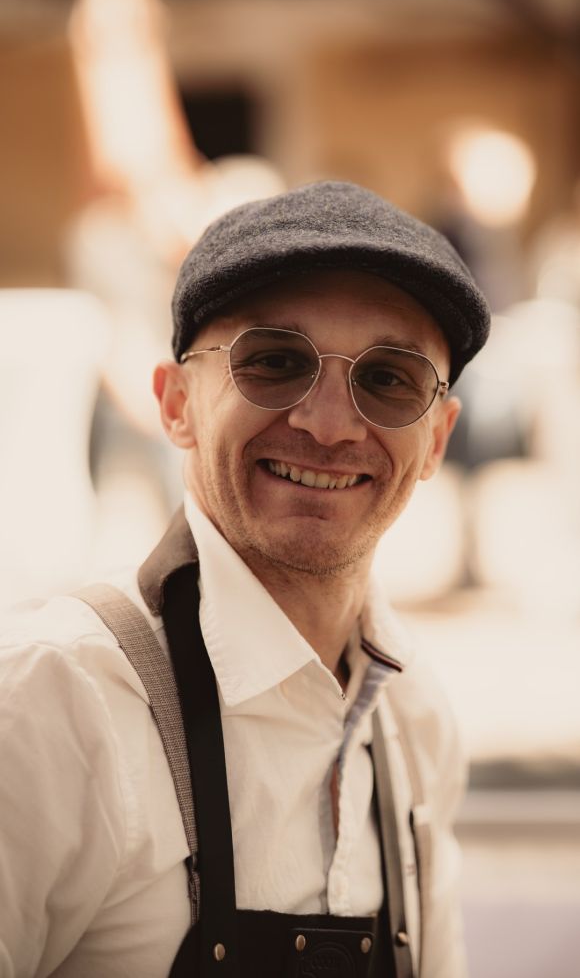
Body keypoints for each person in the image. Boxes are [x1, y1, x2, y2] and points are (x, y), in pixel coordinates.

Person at [0, 180, 491, 978]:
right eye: (275, 362)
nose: (328, 425)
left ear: (436, 440)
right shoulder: (50, 701)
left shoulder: (416, 718)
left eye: (388, 378)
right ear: (176, 404)